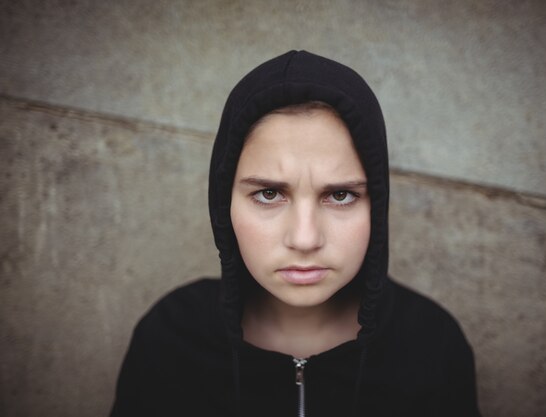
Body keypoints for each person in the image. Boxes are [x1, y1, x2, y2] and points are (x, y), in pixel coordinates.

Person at [110, 50, 482, 417]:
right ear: (223, 202)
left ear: (377, 203)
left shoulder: (432, 345)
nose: (305, 239)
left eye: (340, 195)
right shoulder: (171, 339)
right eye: (269, 194)